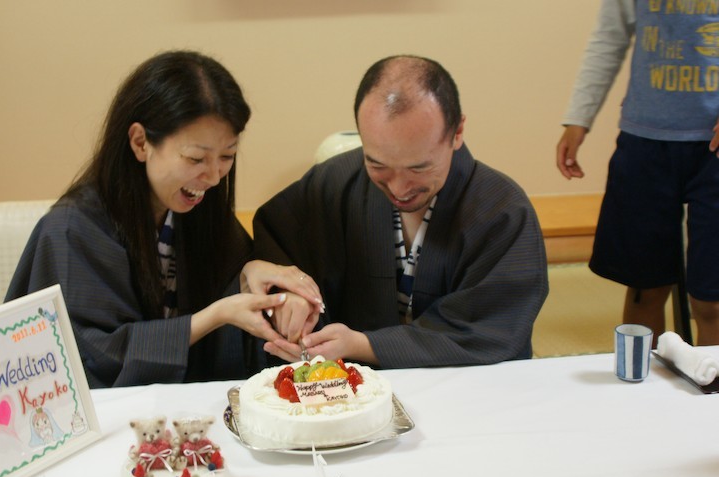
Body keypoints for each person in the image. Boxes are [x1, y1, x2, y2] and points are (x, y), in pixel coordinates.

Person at [6, 50, 322, 388]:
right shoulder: (72, 229)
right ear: (140, 142)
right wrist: (215, 316)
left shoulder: (198, 206)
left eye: (227, 156)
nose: (214, 176)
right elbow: (94, 359)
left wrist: (260, 283)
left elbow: (234, 306)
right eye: (196, 158)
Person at [254, 55, 549, 368]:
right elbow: (278, 246)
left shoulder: (502, 210)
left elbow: (492, 329)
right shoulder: (332, 184)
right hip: (347, 387)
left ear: (457, 132)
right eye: (377, 165)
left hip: (465, 387)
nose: (398, 187)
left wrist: (363, 345)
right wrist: (291, 295)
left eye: (418, 167)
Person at [556, 0, 719, 345]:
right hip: (645, 144)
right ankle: (641, 376)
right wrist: (579, 118)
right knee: (645, 289)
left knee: (712, 302)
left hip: (713, 148)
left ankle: (709, 380)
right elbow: (608, 38)